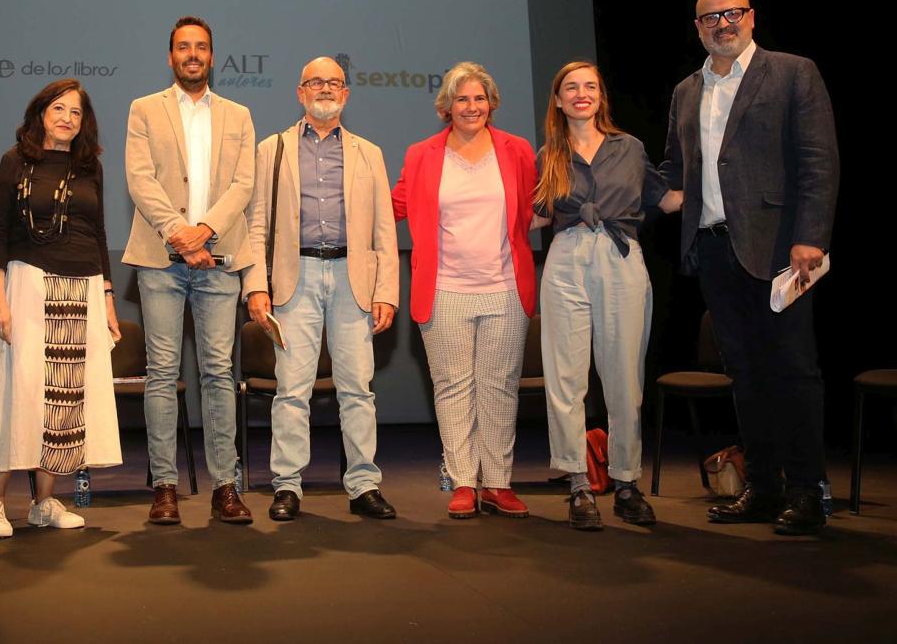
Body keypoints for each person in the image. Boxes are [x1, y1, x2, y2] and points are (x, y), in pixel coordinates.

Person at [661, 0, 839, 535]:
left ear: (751, 17)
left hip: (781, 250)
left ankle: (807, 492)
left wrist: (811, 235)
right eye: (710, 17)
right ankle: (763, 488)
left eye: (731, 13)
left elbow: (818, 161)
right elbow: (673, 170)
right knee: (744, 375)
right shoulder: (685, 91)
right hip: (713, 249)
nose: (722, 23)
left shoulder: (792, 72)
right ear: (697, 27)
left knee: (793, 372)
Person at [243, 57, 400, 521]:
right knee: (292, 390)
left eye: (334, 82)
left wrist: (386, 290)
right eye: (315, 82)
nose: (325, 89)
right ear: (299, 92)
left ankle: (364, 485)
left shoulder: (369, 152)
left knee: (358, 390)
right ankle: (287, 487)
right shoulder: (272, 149)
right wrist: (256, 284)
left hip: (355, 279)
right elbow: (256, 224)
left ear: (346, 94)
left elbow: (384, 232)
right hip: (296, 279)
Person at [534, 61, 682, 530]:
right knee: (565, 377)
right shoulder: (549, 154)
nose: (581, 94)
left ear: (601, 96)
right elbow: (534, 216)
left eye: (590, 87)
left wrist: (717, 170)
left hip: (620, 255)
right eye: (571, 88)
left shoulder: (630, 148)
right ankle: (578, 483)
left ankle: (626, 483)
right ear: (558, 100)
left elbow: (669, 199)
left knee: (623, 378)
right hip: (566, 255)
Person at [123, 16, 256, 524]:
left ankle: (226, 485)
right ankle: (164, 487)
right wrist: (181, 232)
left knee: (218, 372)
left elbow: (243, 185)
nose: (192, 54)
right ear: (170, 56)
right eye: (184, 47)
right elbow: (139, 179)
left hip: (220, 261)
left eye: (201, 47)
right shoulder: (144, 109)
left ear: (212, 57)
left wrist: (205, 231)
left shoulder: (239, 115)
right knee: (162, 372)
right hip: (161, 260)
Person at [0, 79, 122, 539]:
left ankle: (43, 503)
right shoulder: (13, 161)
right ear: (41, 112)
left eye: (76, 112)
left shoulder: (89, 168)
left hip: (82, 287)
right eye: (59, 108)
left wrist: (107, 298)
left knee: (66, 400)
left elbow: (99, 234)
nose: (67, 118)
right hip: (27, 283)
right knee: (19, 392)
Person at [391, 61, 538, 519]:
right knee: (453, 388)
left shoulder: (517, 150)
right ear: (446, 107)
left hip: (505, 288)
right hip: (445, 290)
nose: (471, 107)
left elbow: (536, 207)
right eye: (461, 99)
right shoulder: (421, 155)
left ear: (491, 103)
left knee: (499, 388)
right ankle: (462, 482)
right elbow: (392, 205)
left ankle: (497, 482)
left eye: (479, 98)